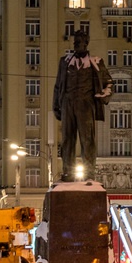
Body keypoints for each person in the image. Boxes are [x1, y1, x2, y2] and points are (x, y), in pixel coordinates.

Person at [52, 30, 113, 181]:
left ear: (86, 43)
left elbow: (109, 83)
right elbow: (58, 85)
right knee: (67, 139)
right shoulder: (64, 62)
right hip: (67, 103)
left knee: (87, 140)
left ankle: (89, 174)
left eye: (79, 42)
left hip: (86, 104)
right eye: (75, 42)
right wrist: (56, 105)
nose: (76, 45)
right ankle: (68, 172)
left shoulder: (96, 62)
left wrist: (105, 94)